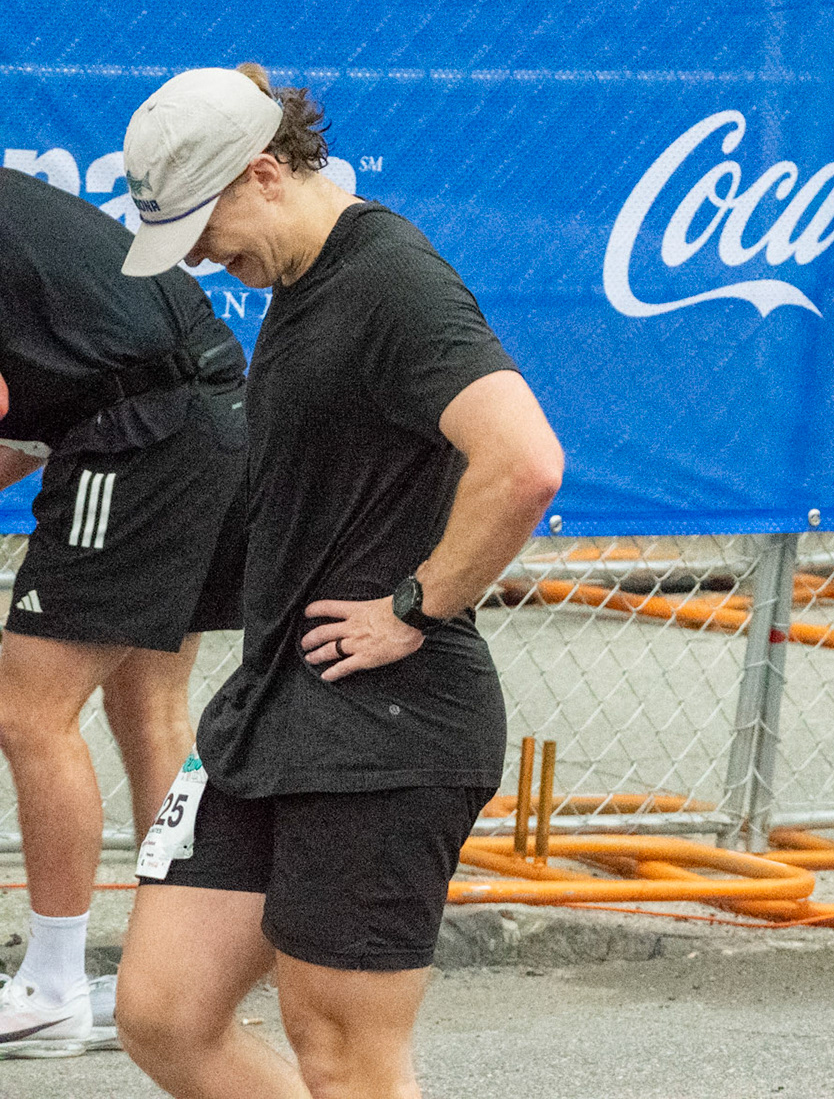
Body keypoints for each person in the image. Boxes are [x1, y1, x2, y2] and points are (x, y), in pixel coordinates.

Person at [106, 65, 565, 1099]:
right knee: (165, 1015)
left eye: (202, 226)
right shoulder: (305, 280)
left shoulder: (391, 278)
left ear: (263, 173)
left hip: (384, 725)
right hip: (274, 705)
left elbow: (526, 462)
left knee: (344, 1058)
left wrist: (416, 605)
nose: (202, 257)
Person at [0, 167, 249, 1056]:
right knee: (149, 706)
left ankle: (53, 987)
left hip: (144, 432)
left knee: (27, 710)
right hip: (211, 409)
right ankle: (166, 976)